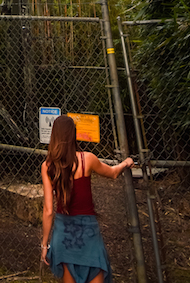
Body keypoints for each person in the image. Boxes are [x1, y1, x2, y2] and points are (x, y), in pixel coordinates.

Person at [41, 115, 134, 283]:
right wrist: (125, 163)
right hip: (88, 232)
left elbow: (48, 210)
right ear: (73, 135)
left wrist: (45, 244)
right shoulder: (87, 159)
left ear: (54, 135)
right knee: (97, 269)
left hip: (64, 233)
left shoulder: (48, 166)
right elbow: (113, 173)